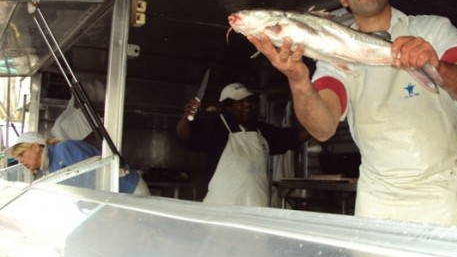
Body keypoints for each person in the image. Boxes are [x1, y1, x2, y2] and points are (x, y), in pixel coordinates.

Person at [246, 0, 457, 226]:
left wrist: (438, 66)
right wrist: (298, 79)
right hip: (378, 193)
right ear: (342, 0)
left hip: (443, 188)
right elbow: (322, 128)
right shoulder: (333, 54)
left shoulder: (432, 28)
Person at [176, 82, 310, 206]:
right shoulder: (214, 127)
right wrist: (186, 117)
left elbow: (291, 138)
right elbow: (185, 135)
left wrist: (317, 127)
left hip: (256, 209)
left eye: (248, 100)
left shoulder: (260, 130)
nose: (247, 105)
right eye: (240, 101)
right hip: (222, 210)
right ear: (227, 106)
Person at [4, 131, 150, 195]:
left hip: (131, 190)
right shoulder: (49, 167)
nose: (21, 161)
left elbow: (92, 179)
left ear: (35, 147)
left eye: (21, 154)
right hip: (118, 199)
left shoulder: (64, 149)